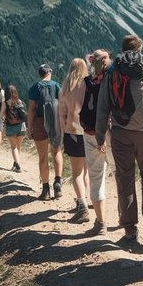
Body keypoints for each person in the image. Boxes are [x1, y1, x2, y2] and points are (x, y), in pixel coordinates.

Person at [96, 35, 143, 245]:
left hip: (120, 131)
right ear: (139, 49)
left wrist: (100, 137)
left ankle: (130, 231)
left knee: (125, 177)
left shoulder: (111, 73)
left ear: (123, 49)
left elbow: (102, 108)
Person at [80, 49, 116, 236]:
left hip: (91, 132)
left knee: (96, 176)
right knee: (119, 172)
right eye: (109, 57)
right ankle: (123, 213)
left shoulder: (86, 81)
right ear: (104, 61)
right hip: (111, 131)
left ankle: (101, 223)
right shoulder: (112, 78)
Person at [59, 58, 90, 224]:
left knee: (76, 172)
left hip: (73, 133)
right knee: (86, 170)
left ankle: (82, 204)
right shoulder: (89, 85)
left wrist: (64, 130)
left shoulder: (65, 88)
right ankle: (84, 199)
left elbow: (62, 114)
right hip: (90, 133)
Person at [27, 64, 64, 200]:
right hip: (55, 122)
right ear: (50, 72)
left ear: (39, 74)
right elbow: (62, 105)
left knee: (43, 157)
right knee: (56, 151)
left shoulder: (34, 88)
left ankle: (46, 189)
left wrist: (29, 128)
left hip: (39, 123)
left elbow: (31, 110)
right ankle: (58, 182)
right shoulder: (57, 86)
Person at [0, 85, 26, 173]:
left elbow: (0, 115)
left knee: (14, 147)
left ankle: (18, 166)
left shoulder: (5, 103)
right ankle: (16, 162)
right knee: (18, 147)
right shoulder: (20, 102)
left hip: (11, 127)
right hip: (21, 127)